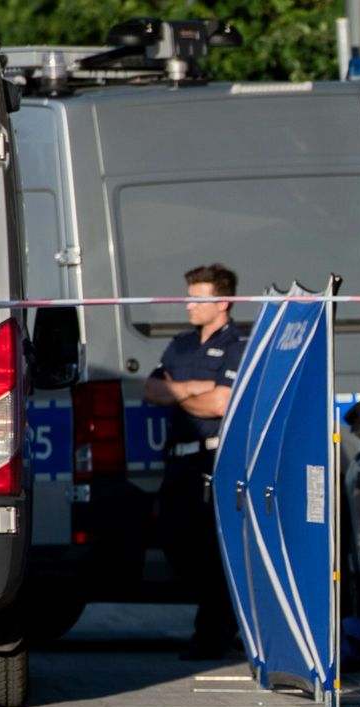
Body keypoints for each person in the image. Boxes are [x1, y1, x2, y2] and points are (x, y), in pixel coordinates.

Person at [143, 264, 245, 660]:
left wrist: (177, 390)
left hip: (211, 459)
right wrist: (194, 390)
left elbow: (223, 402)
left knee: (208, 548)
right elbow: (151, 390)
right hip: (177, 462)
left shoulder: (237, 345)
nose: (188, 304)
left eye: (197, 298)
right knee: (175, 544)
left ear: (223, 302)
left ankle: (212, 632)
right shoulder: (181, 344)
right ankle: (219, 619)